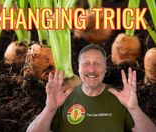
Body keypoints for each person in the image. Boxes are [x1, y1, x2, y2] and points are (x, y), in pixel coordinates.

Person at [26, 44, 156, 132]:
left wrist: (134, 109)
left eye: (98, 63)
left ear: (106, 68)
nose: (92, 69)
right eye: (86, 63)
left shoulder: (120, 98)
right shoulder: (63, 98)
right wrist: (49, 109)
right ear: (78, 68)